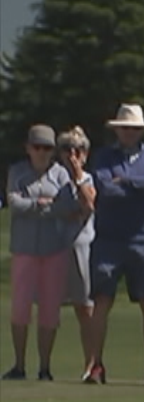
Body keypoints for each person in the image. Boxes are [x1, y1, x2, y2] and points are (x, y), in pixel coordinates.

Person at [87, 104, 144, 385]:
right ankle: (96, 365)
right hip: (109, 240)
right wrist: (141, 184)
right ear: (117, 130)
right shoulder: (103, 156)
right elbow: (105, 188)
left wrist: (127, 181)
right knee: (102, 301)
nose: (129, 133)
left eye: (134, 129)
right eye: (125, 128)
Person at [2, 125, 84, 381]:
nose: (41, 152)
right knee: (20, 308)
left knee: (50, 310)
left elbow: (69, 206)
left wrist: (38, 207)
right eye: (37, 147)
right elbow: (14, 203)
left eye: (47, 148)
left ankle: (45, 366)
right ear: (28, 148)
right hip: (24, 248)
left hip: (54, 249)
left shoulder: (60, 175)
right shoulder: (18, 172)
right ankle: (19, 364)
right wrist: (43, 204)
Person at [56, 126, 98, 381]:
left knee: (85, 308)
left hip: (82, 246)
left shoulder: (87, 178)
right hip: (55, 247)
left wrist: (77, 174)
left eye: (78, 150)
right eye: (67, 150)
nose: (73, 154)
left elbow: (89, 204)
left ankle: (91, 364)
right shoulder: (55, 178)